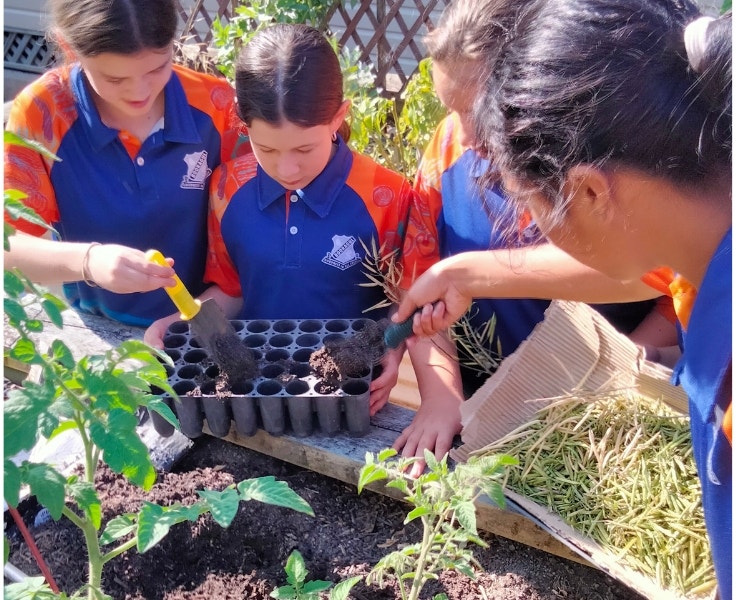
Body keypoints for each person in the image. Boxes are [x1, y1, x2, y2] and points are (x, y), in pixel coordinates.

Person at [397, 1, 732, 596]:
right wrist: (469, 273)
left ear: (586, 189)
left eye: (527, 203)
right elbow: (645, 269)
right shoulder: (702, 245)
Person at [391, 0, 679, 477]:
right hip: (477, 400)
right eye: (450, 108)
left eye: (478, 110)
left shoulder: (604, 165)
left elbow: (665, 281)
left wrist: (616, 378)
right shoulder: (448, 148)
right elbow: (421, 279)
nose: (464, 135)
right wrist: (442, 394)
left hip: (594, 414)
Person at [144, 23, 437, 413]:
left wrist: (391, 351)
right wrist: (184, 320)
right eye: (266, 148)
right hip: (257, 389)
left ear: (338, 118)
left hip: (347, 393)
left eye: (304, 148)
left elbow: (407, 307)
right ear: (242, 124)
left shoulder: (387, 197)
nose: (287, 168)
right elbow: (231, 289)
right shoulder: (227, 188)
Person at [4, 0, 249, 327]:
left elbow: (257, 231)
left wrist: (195, 321)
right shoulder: (42, 115)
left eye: (157, 68)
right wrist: (88, 261)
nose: (140, 91)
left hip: (205, 323)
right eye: (115, 79)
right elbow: (9, 247)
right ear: (69, 48)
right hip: (99, 331)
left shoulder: (217, 108)